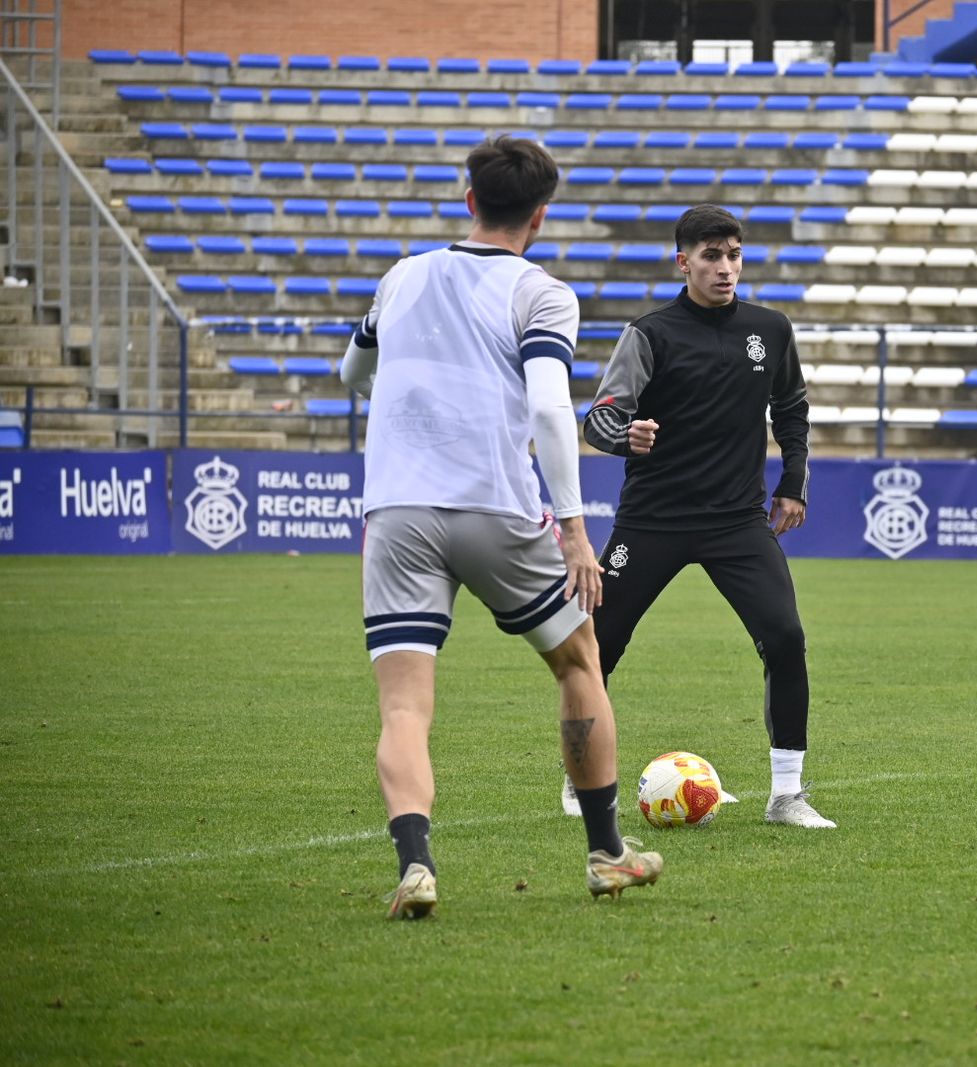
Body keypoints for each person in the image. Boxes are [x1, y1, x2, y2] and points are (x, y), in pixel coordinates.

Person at [339, 136, 663, 918]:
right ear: (541, 215)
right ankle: (606, 853)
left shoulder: (401, 276)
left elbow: (352, 375)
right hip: (497, 506)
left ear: (468, 200)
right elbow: (553, 407)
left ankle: (417, 865)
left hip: (400, 510)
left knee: (405, 706)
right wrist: (577, 529)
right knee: (578, 660)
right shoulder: (541, 292)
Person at [575, 203, 835, 829]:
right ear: (682, 261)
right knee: (596, 645)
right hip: (652, 520)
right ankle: (580, 782)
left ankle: (786, 796)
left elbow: (792, 410)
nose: (725, 268)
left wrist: (792, 483)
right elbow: (599, 417)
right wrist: (624, 436)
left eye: (734, 254)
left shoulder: (770, 329)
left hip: (737, 522)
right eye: (712, 255)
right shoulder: (650, 333)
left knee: (786, 638)